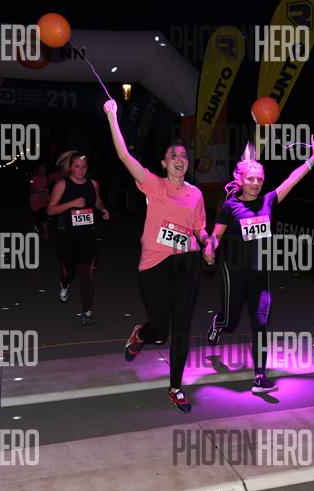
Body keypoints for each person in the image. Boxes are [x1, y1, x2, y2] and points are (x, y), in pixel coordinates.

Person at [104, 99, 210, 413]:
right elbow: (124, 156)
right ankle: (142, 333)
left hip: (186, 262)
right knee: (160, 330)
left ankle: (176, 387)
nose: (179, 159)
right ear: (164, 163)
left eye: (184, 156)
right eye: (173, 156)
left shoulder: (196, 194)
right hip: (154, 263)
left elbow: (200, 228)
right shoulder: (153, 185)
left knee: (182, 327)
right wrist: (112, 117)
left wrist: (207, 243)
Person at [203, 137, 314, 393]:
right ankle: (218, 323)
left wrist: (313, 157)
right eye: (250, 179)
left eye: (259, 179)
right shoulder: (230, 207)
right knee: (231, 322)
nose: (255, 183)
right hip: (234, 274)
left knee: (261, 322)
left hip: (260, 275)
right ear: (240, 180)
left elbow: (292, 179)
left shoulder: (268, 200)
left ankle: (260, 376)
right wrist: (210, 248)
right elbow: (216, 235)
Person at [47, 151, 110, 325]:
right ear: (70, 167)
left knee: (86, 274)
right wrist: (72, 204)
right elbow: (50, 210)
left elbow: (97, 201)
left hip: (87, 236)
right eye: (77, 167)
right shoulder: (62, 184)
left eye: (84, 167)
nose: (81, 170)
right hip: (67, 235)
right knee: (68, 269)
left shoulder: (93, 184)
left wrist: (103, 209)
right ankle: (65, 284)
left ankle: (87, 312)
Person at [30, 164, 53, 239]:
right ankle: (36, 227)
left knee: (44, 217)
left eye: (44, 169)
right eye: (41, 169)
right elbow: (31, 190)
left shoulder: (46, 178)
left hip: (43, 201)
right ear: (38, 170)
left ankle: (46, 233)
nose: (43, 171)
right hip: (35, 201)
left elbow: (48, 185)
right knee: (36, 217)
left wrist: (47, 193)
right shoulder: (33, 179)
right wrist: (38, 191)